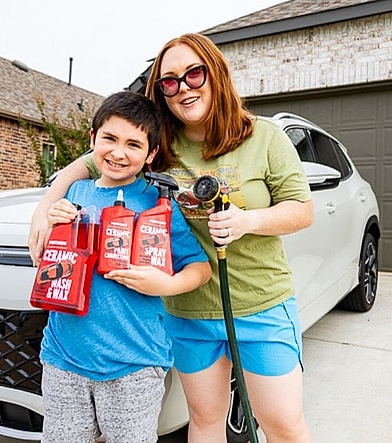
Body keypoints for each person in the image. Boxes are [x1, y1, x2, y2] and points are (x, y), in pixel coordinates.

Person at [29, 34, 314, 442]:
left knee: (283, 425)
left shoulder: (264, 136)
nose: (183, 87)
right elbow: (95, 158)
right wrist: (46, 205)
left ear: (215, 74)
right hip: (187, 310)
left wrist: (246, 221)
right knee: (204, 421)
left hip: (258, 304)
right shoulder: (161, 144)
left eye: (194, 74)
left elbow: (302, 210)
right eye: (169, 81)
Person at [37, 91, 211, 443]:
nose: (118, 152)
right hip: (63, 358)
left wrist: (164, 285)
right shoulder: (73, 194)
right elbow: (46, 259)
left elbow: (200, 267)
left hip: (135, 363)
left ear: (151, 154)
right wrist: (54, 221)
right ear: (92, 140)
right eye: (110, 139)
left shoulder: (157, 203)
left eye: (134, 144)